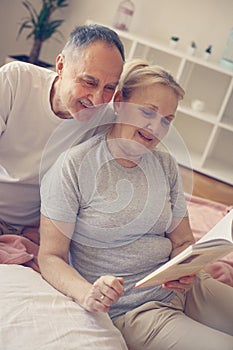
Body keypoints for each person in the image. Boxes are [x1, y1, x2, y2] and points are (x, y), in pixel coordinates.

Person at [38, 59, 233, 350]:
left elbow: (182, 240)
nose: (156, 127)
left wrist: (186, 269)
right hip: (136, 309)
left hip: (188, 287)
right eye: (147, 112)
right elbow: (50, 256)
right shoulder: (74, 166)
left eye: (167, 119)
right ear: (119, 103)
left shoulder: (165, 163)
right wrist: (87, 292)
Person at [0, 23, 124, 236]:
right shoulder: (16, 79)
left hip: (28, 229)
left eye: (109, 87)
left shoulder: (106, 120)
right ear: (61, 65)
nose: (97, 99)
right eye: (89, 82)